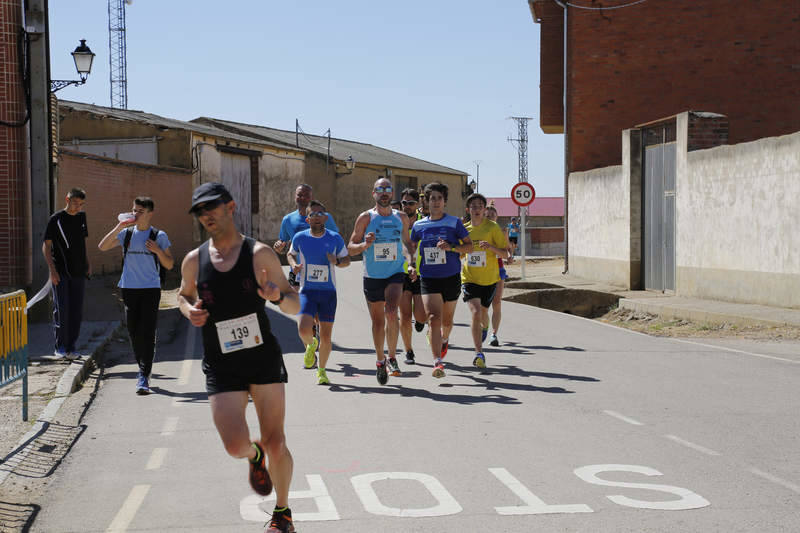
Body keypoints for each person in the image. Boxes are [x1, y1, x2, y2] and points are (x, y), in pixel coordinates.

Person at [178, 182, 300, 533]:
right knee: (234, 445)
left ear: (231, 207)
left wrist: (277, 297)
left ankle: (282, 512)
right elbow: (182, 295)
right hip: (221, 361)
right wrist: (189, 312)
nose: (206, 215)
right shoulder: (194, 260)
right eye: (200, 211)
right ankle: (254, 456)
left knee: (276, 441)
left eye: (212, 207)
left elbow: (294, 302)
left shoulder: (259, 254)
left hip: (262, 358)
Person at [98, 197, 174, 394]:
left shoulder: (159, 235)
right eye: (134, 210)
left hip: (150, 288)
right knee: (133, 330)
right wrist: (118, 226)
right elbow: (102, 246)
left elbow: (169, 264)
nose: (135, 214)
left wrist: (157, 250)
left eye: (140, 211)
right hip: (129, 288)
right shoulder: (127, 234)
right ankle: (143, 366)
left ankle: (143, 374)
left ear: (150, 213)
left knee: (147, 332)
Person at [348, 177, 414, 385]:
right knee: (378, 322)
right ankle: (380, 360)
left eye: (387, 189)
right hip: (373, 276)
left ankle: (392, 357)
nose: (384, 192)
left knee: (392, 312)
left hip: (395, 273)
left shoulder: (401, 217)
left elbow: (407, 243)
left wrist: (411, 263)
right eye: (380, 189)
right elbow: (350, 247)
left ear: (392, 193)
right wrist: (364, 245)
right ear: (373, 194)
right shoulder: (365, 218)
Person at [409, 182, 472, 378]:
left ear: (444, 201)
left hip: (451, 277)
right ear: (427, 202)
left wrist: (451, 247)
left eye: (439, 198)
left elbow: (469, 247)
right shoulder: (419, 225)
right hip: (429, 278)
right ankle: (437, 362)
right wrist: (411, 264)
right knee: (434, 319)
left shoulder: (454, 223)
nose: (435, 202)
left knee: (447, 321)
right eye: (432, 198)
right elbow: (411, 246)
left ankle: (444, 340)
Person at [287, 200, 350, 385]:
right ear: (307, 219)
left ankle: (321, 370)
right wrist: (293, 266)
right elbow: (290, 254)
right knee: (302, 328)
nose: (316, 217)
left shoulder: (334, 238)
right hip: (308, 291)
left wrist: (336, 261)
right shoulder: (300, 237)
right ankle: (311, 344)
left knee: (326, 336)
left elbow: (346, 259)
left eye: (319, 214)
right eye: (312, 214)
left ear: (325, 217)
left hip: (328, 293)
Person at [461, 194, 509, 368]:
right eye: (473, 206)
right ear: (468, 209)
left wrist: (491, 247)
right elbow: (459, 253)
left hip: (489, 280)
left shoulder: (493, 228)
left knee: (483, 314)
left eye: (479, 206)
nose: (476, 208)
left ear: (483, 209)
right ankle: (478, 353)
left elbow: (505, 254)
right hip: (469, 278)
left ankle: (485, 328)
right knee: (475, 313)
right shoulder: (463, 229)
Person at [42, 188, 90, 360]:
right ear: (67, 199)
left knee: (76, 311)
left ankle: (71, 347)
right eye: (76, 203)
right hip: (61, 272)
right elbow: (46, 246)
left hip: (78, 271)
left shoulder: (81, 218)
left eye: (81, 204)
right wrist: (52, 270)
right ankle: (60, 347)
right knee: (62, 309)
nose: (78, 207)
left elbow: (82, 243)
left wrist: (87, 263)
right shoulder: (56, 219)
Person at [273, 184, 339, 286]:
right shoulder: (288, 220)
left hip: (320, 273)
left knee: (319, 301)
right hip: (296, 272)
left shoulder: (325, 217)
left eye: (307, 195)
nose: (303, 198)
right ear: (295, 197)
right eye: (299, 195)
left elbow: (336, 240)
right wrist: (279, 248)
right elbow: (284, 247)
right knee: (295, 301)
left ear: (312, 198)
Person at [397, 187, 427, 365]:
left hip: (423, 272)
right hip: (400, 272)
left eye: (410, 203)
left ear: (417, 204)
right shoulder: (396, 222)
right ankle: (408, 351)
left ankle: (421, 322)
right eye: (404, 203)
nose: (407, 206)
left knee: (421, 315)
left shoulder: (425, 223)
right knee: (405, 315)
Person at [485, 204, 510, 346]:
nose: (490, 218)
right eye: (487, 216)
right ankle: (484, 326)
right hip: (482, 271)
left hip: (499, 269)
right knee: (483, 306)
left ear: (497, 217)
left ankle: (494, 334)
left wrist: (510, 255)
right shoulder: (479, 231)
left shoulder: (501, 232)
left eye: (492, 216)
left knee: (497, 302)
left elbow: (507, 250)